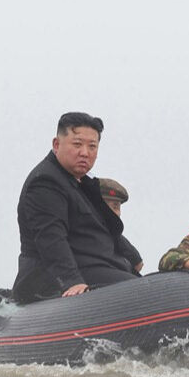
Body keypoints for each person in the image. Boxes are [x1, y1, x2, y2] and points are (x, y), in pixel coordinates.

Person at [12, 112, 142, 303]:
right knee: (135, 291)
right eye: (77, 144)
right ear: (57, 145)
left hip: (97, 267)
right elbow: (50, 237)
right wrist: (71, 281)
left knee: (150, 286)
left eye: (92, 146)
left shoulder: (82, 185)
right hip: (52, 279)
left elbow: (102, 227)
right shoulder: (45, 182)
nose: (85, 152)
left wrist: (133, 258)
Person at [98, 178, 144, 273]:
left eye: (116, 207)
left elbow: (138, 264)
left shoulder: (116, 237)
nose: (111, 212)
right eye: (105, 206)